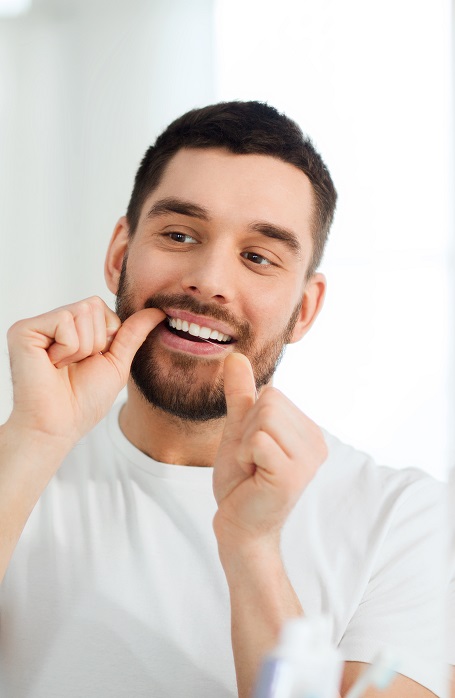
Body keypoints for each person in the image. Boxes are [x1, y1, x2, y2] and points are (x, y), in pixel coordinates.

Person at [0, 101, 448, 698]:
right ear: (118, 256)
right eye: (179, 234)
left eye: (258, 257)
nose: (210, 280)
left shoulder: (405, 519)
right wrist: (33, 441)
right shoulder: (18, 464)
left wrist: (255, 552)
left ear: (304, 310)